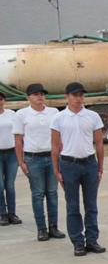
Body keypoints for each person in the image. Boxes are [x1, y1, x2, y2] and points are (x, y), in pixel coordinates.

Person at [50, 82, 105, 255]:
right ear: (67, 97)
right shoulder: (59, 118)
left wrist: (100, 167)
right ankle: (77, 242)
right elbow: (55, 145)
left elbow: (99, 143)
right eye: (75, 95)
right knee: (73, 205)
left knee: (91, 205)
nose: (79, 98)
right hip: (69, 164)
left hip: (89, 163)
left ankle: (92, 240)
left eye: (81, 95)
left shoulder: (92, 116)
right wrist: (56, 170)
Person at [14, 83, 63, 241]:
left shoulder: (53, 112)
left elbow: (58, 136)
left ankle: (53, 227)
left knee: (53, 193)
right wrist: (21, 162)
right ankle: (41, 229)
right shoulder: (22, 114)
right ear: (28, 97)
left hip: (52, 157)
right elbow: (18, 140)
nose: (40, 97)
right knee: (37, 194)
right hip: (33, 158)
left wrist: (59, 156)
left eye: (42, 94)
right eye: (36, 94)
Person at [0, 92, 19, 226]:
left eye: (0, 99)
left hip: (12, 154)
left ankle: (12, 213)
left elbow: (18, 133)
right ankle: (3, 214)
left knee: (10, 185)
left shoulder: (12, 114)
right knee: (0, 186)